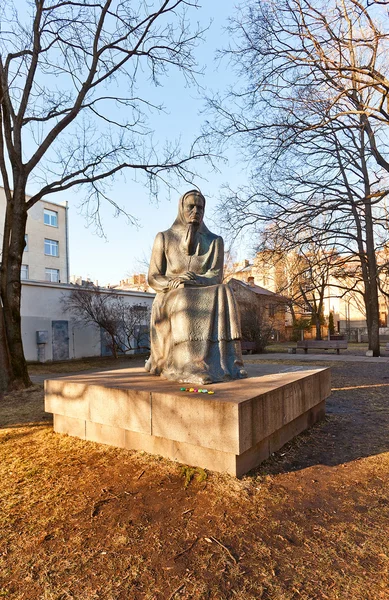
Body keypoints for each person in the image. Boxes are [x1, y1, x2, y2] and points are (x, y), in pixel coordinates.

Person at [145, 190, 248, 384]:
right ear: (181, 208)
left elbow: (216, 275)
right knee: (184, 296)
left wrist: (196, 280)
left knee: (225, 290)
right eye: (190, 207)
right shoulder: (164, 238)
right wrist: (173, 282)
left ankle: (232, 363)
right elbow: (153, 277)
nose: (195, 211)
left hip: (202, 288)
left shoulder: (215, 241)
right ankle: (189, 364)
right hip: (171, 295)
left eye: (199, 207)